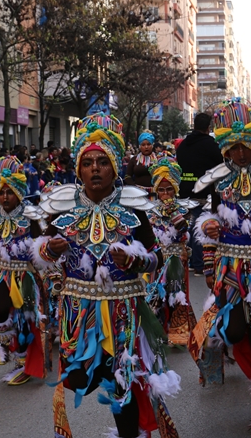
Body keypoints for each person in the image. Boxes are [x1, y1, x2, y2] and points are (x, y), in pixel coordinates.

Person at [34, 113, 179, 438]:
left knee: (122, 379)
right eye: (88, 163)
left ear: (115, 168)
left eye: (102, 162)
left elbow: (155, 257)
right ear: (79, 170)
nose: (95, 168)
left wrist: (135, 261)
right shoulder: (62, 208)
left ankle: (130, 432)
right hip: (78, 313)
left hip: (123, 311)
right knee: (81, 378)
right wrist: (52, 250)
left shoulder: (134, 208)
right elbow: (42, 254)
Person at [188, 98, 251, 435]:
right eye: (234, 148)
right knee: (233, 330)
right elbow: (208, 216)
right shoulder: (216, 181)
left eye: (245, 146)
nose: (241, 154)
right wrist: (207, 227)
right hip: (230, 269)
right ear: (225, 149)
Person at [0, 156, 48, 386]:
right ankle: (2, 342)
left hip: (26, 277)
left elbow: (42, 250)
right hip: (2, 275)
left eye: (10, 192)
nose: (4, 197)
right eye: (1, 192)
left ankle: (22, 364)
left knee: (24, 321)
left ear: (20, 193)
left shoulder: (31, 218)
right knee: (1, 310)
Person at [145, 156, 198, 346]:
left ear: (175, 190)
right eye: (161, 190)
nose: (165, 193)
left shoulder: (183, 208)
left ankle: (178, 335)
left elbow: (184, 231)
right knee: (157, 297)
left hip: (177, 258)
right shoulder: (149, 210)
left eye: (169, 189)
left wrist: (174, 212)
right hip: (157, 259)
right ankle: (157, 333)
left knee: (177, 296)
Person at [176, 113, 224, 276]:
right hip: (203, 192)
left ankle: (191, 261)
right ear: (208, 127)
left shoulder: (182, 145)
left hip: (184, 190)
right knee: (200, 226)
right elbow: (220, 166)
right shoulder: (211, 144)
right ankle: (198, 264)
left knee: (189, 225)